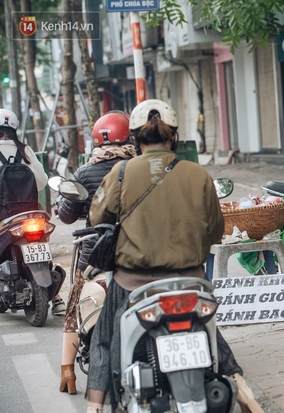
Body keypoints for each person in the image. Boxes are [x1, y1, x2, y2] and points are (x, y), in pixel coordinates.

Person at [84, 99, 262, 413]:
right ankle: (246, 395)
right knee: (208, 327)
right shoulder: (198, 174)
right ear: (174, 137)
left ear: (135, 138)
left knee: (104, 336)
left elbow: (98, 216)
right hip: (190, 279)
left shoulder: (121, 172)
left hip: (131, 282)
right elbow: (216, 231)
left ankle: (94, 406)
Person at [56, 111, 136, 395]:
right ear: (129, 136)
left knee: (74, 307)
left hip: (94, 255)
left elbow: (66, 217)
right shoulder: (139, 167)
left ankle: (68, 373)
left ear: (97, 141)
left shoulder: (84, 172)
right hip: (135, 251)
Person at [0, 108, 66, 315]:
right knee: (43, 248)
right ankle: (56, 297)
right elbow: (42, 182)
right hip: (31, 214)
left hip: (4, 217)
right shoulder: (25, 151)